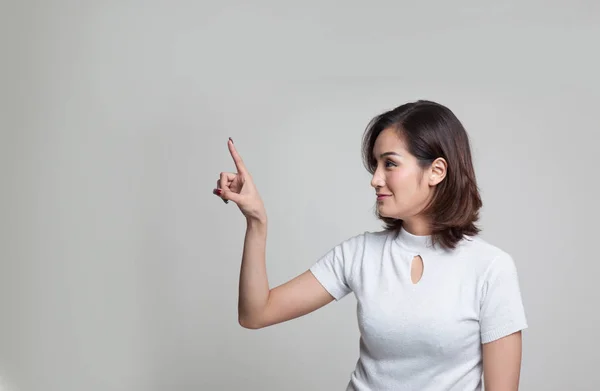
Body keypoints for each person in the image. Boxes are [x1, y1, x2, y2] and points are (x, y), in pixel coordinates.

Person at [213, 100, 528, 391]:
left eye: (389, 164)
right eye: (375, 165)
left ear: (436, 171)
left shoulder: (490, 269)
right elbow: (255, 314)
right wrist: (257, 222)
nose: (375, 179)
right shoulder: (359, 254)